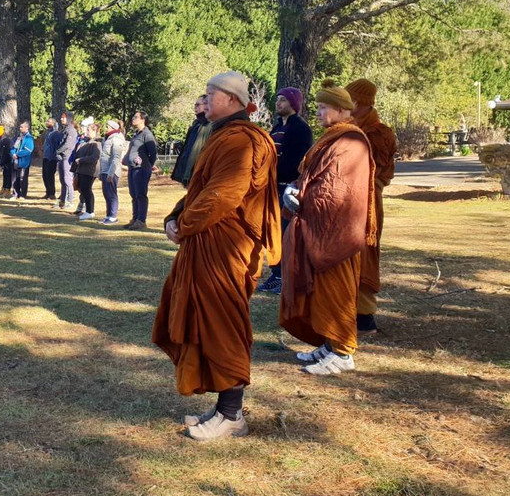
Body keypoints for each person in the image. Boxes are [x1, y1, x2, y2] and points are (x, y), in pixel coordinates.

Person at [152, 71, 281, 441]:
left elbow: (224, 194)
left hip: (227, 249)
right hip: (207, 240)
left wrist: (186, 224)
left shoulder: (243, 140)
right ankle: (224, 408)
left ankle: (231, 415)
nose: (205, 100)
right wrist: (174, 217)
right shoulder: (222, 135)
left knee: (224, 324)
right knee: (207, 321)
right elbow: (200, 189)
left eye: (211, 94)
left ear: (233, 100)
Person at [279, 81, 377, 376]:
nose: (318, 112)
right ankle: (329, 343)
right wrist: (295, 190)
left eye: (323, 107)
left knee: (338, 290)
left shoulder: (351, 142)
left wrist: (303, 201)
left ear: (340, 110)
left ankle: (344, 352)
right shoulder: (334, 138)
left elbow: (338, 189)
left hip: (339, 234)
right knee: (322, 291)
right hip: (322, 228)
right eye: (318, 106)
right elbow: (313, 176)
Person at [346, 78, 398, 336]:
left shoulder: (379, 133)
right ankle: (346, 309)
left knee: (366, 251)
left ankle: (365, 316)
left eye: (351, 100)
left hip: (367, 203)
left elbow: (384, 172)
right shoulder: (348, 127)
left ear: (361, 103)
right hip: (348, 199)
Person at [257, 87, 313, 295]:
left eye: (283, 100)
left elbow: (295, 162)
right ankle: (276, 274)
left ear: (293, 104)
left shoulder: (300, 129)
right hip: (271, 188)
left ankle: (286, 277)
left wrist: (279, 175)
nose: (278, 103)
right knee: (272, 233)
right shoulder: (276, 128)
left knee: (285, 233)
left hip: (287, 188)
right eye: (277, 99)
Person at [124, 111, 158, 230]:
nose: (133, 119)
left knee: (140, 194)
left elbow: (153, 153)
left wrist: (147, 164)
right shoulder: (136, 134)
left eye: (136, 117)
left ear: (143, 119)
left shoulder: (147, 134)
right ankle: (135, 219)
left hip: (141, 169)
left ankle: (141, 220)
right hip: (132, 168)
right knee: (133, 194)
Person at [170, 95, 210, 187]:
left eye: (198, 105)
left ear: (206, 105)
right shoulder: (195, 125)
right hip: (189, 175)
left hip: (199, 176)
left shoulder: (210, 125)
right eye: (195, 105)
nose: (195, 107)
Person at [72, 119, 102, 220]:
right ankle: (88, 210)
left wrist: (81, 160)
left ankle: (90, 211)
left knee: (87, 190)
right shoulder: (87, 141)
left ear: (94, 131)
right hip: (83, 170)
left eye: (89, 130)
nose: (87, 131)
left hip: (90, 170)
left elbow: (94, 157)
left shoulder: (96, 143)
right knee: (84, 190)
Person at [99, 119, 127, 224]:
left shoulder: (116, 138)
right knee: (106, 193)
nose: (105, 128)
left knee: (111, 194)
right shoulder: (108, 138)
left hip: (112, 171)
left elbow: (116, 157)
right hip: (105, 170)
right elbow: (104, 156)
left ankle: (113, 216)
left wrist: (111, 173)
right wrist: (101, 172)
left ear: (112, 128)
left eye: (107, 126)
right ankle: (108, 215)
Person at [55, 112, 79, 209]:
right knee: (62, 180)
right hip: (62, 157)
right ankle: (62, 201)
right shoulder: (64, 130)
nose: (61, 119)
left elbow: (67, 145)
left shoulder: (72, 131)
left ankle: (70, 200)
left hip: (67, 158)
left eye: (63, 118)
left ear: (69, 119)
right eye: (61, 117)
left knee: (67, 180)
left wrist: (58, 151)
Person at [10, 121, 35, 199]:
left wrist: (17, 155)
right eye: (20, 127)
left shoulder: (29, 138)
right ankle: (15, 193)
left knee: (22, 178)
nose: (20, 128)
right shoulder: (19, 137)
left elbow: (28, 150)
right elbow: (14, 147)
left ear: (26, 128)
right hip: (15, 161)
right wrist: (13, 153)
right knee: (14, 178)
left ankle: (23, 195)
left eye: (22, 127)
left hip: (24, 162)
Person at [41, 119, 61, 200]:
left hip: (51, 158)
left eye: (48, 121)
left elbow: (56, 145)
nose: (46, 122)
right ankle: (48, 192)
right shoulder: (47, 132)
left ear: (53, 123)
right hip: (45, 156)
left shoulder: (55, 133)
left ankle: (52, 193)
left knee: (50, 175)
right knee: (45, 175)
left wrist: (54, 156)